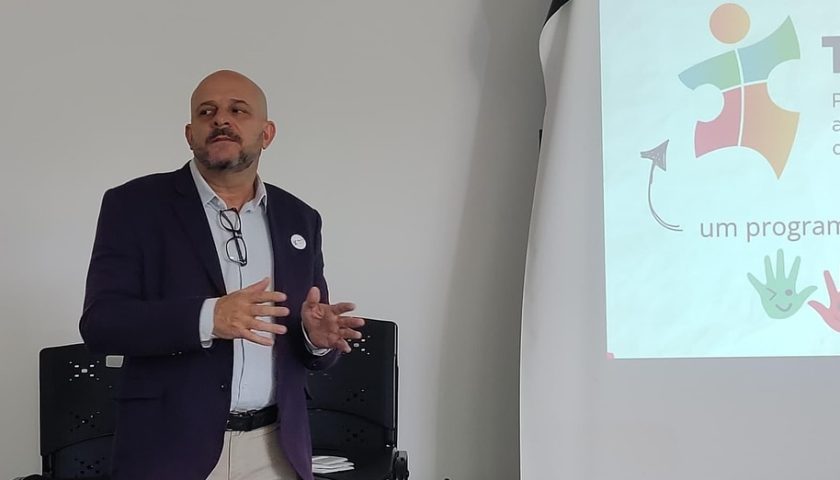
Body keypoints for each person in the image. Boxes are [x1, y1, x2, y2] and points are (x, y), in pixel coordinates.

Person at [80, 70, 364, 480]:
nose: (221, 120)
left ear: (267, 134)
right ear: (190, 134)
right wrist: (209, 317)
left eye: (238, 110)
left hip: (276, 450)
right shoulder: (134, 206)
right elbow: (101, 324)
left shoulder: (300, 218)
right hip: (169, 450)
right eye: (206, 112)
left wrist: (315, 340)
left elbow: (311, 337)